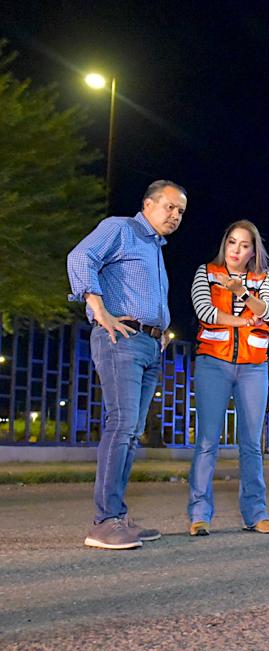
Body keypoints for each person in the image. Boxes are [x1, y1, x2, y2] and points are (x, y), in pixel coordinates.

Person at [67, 180, 186, 550]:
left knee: (132, 432)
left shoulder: (154, 249)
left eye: (181, 211)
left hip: (148, 345)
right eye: (169, 207)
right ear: (148, 204)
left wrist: (160, 333)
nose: (175, 216)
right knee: (120, 425)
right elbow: (79, 257)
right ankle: (103, 522)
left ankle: (117, 517)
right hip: (121, 340)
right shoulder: (121, 228)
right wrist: (99, 309)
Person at [187, 220, 269, 536]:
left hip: (254, 367)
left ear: (254, 250)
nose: (236, 250)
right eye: (232, 243)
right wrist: (242, 321)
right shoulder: (206, 273)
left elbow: (267, 312)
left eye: (244, 245)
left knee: (251, 443)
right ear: (224, 244)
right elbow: (205, 311)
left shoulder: (264, 278)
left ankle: (256, 514)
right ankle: (200, 515)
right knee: (207, 442)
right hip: (213, 363)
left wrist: (242, 292)